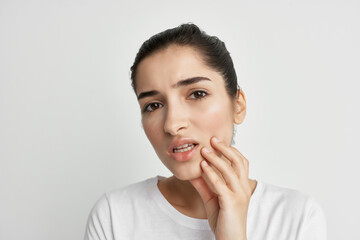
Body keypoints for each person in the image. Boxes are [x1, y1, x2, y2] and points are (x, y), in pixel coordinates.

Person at [84, 23, 327, 240]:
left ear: (238, 106)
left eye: (197, 94)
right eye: (153, 105)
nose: (172, 124)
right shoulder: (114, 216)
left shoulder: (297, 218)